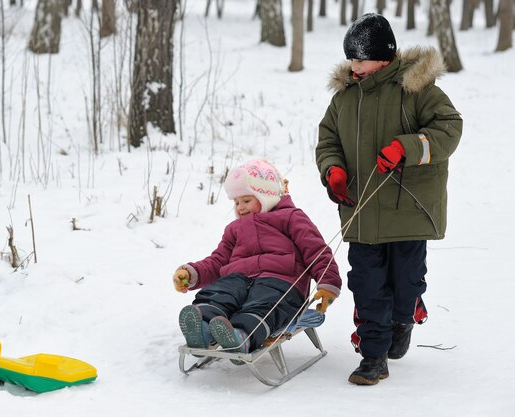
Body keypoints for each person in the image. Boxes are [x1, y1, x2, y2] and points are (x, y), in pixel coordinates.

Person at [316, 13, 462, 385]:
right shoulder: (346, 97)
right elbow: (328, 140)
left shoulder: (418, 88)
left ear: (384, 57)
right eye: (350, 59)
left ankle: (404, 316)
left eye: (360, 59)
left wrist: (406, 147)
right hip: (361, 212)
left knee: (406, 280)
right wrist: (332, 170)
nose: (354, 67)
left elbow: (449, 128)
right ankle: (373, 356)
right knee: (366, 283)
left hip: (407, 209)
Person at [172, 159, 342, 363]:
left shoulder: (290, 217)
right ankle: (203, 329)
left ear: (266, 196)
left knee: (263, 303)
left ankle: (241, 336)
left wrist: (328, 282)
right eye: (236, 202)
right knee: (221, 291)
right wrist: (192, 273)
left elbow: (315, 249)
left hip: (281, 282)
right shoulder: (234, 229)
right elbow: (218, 260)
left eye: (246, 201)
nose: (240, 207)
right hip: (239, 278)